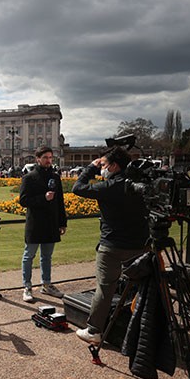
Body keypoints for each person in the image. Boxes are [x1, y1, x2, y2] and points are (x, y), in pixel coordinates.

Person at [71, 146, 149, 344]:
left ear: (114, 166)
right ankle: (146, 327)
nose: (102, 168)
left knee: (105, 288)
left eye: (104, 165)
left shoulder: (109, 187)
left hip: (112, 246)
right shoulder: (138, 184)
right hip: (141, 244)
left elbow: (77, 188)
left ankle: (94, 330)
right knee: (144, 288)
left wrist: (90, 167)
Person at [18, 146, 67, 302]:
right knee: (29, 256)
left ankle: (46, 284)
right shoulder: (29, 178)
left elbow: (60, 202)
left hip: (51, 222)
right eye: (45, 157)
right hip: (35, 223)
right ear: (37, 158)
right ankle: (27, 286)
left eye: (51, 157)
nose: (48, 160)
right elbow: (23, 201)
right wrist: (43, 198)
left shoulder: (55, 177)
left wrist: (62, 222)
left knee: (47, 256)